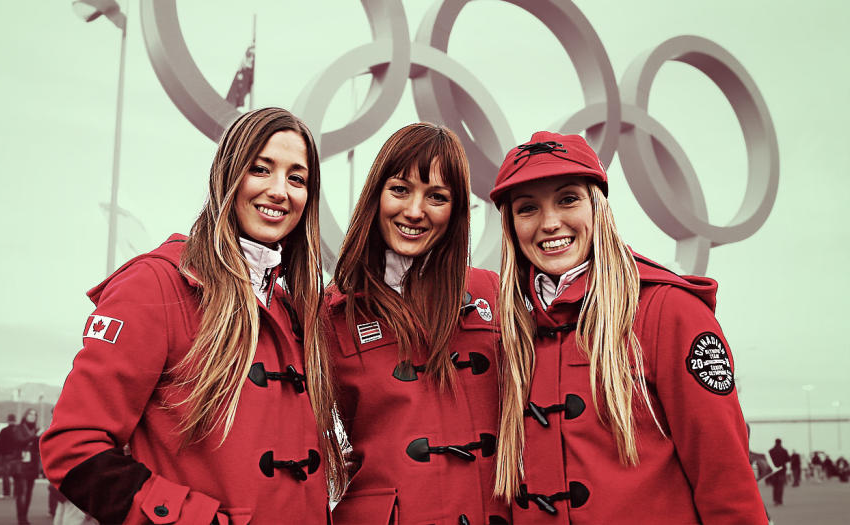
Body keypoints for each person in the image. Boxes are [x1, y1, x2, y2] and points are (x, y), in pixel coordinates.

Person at [40, 107, 345, 524]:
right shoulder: (154, 285)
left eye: (297, 178)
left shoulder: (293, 311)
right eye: (261, 169)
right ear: (227, 176)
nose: (279, 190)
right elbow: (73, 447)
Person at [490, 132, 767, 522]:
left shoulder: (669, 311)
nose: (550, 223)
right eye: (527, 208)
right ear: (511, 225)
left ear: (597, 207)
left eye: (568, 199)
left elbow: (725, 477)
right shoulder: (510, 329)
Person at [327, 123, 508, 523]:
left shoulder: (493, 296)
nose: (414, 211)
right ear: (376, 194)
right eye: (400, 189)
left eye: (437, 196)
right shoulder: (329, 314)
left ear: (456, 209)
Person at [8, 409, 40, 525]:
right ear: (25, 415)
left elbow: (37, 448)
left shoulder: (36, 429)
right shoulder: (18, 428)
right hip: (21, 464)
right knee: (22, 492)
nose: (33, 416)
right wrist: (35, 436)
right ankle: (21, 519)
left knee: (29, 492)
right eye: (30, 414)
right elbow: (19, 441)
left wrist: (39, 438)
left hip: (32, 464)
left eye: (35, 414)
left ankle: (24, 517)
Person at [0, 414, 17, 499]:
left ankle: (6, 493)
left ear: (8, 420)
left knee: (6, 475)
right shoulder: (18, 430)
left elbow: (0, 444)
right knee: (16, 475)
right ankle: (16, 493)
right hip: (16, 456)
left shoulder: (4, 431)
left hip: (6, 455)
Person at [768, 438, 789, 505]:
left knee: (775, 486)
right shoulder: (784, 450)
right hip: (782, 470)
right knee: (780, 486)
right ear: (780, 442)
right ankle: (779, 500)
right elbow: (788, 459)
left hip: (774, 471)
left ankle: (775, 500)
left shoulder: (771, 451)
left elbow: (769, 460)